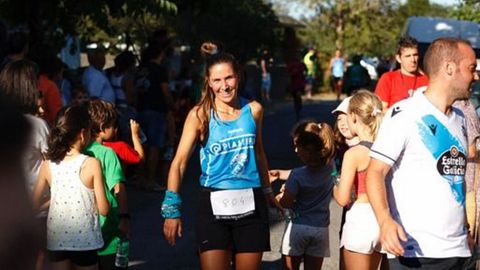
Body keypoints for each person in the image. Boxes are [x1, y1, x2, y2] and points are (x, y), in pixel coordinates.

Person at [162, 43, 277, 270]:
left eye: (229, 78)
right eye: (217, 80)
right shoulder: (200, 114)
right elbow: (179, 163)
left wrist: (267, 192)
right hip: (213, 204)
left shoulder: (254, 110)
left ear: (238, 77)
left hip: (251, 203)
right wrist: (171, 210)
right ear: (208, 82)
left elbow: (259, 153)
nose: (224, 86)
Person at [366, 38, 478, 269]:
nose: (475, 77)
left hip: (459, 251)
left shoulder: (460, 118)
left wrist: (465, 230)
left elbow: (455, 177)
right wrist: (385, 220)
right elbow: (375, 171)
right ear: (449, 68)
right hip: (417, 251)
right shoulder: (405, 114)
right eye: (471, 69)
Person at [32, 105, 110, 270]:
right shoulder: (92, 164)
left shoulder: (48, 165)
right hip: (85, 242)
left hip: (57, 240)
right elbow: (104, 209)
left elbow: (33, 204)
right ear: (83, 134)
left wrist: (53, 202)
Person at [270, 120, 336, 270]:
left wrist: (277, 198)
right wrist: (280, 173)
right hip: (321, 229)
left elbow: (286, 203)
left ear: (305, 151)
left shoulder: (297, 175)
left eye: (297, 147)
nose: (295, 150)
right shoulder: (331, 167)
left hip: (298, 228)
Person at [333, 90, 384, 270]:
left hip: (361, 218)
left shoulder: (354, 154)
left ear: (354, 117)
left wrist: (333, 181)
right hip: (382, 217)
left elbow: (342, 199)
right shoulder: (386, 149)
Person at [84, 99, 130, 269]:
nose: (116, 129)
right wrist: (124, 218)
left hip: (84, 231)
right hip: (109, 230)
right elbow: (119, 187)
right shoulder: (107, 153)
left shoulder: (80, 151)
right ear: (103, 127)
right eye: (113, 125)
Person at [374, 36, 429, 111]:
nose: (413, 60)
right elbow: (380, 110)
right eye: (408, 56)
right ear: (398, 58)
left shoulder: (427, 80)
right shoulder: (388, 78)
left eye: (415, 55)